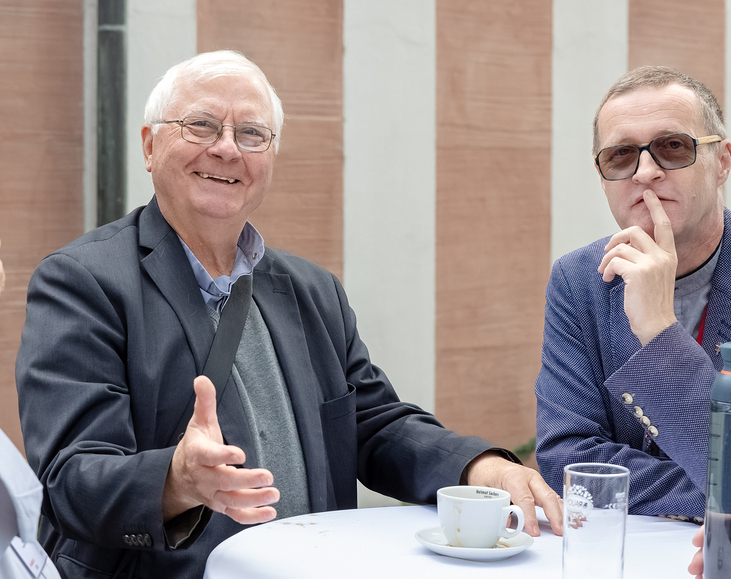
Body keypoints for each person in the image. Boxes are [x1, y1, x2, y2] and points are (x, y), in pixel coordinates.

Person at [16, 50, 562, 578]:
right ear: (149, 145)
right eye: (201, 125)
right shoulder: (83, 282)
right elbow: (70, 480)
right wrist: (177, 480)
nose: (227, 149)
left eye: (252, 133)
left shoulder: (312, 290)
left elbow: (373, 425)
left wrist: (477, 466)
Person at [534, 65, 731, 520]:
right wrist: (713, 495)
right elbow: (566, 458)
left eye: (673, 146)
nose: (645, 172)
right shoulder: (579, 280)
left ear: (722, 162)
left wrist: (659, 331)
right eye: (621, 155)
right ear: (603, 177)